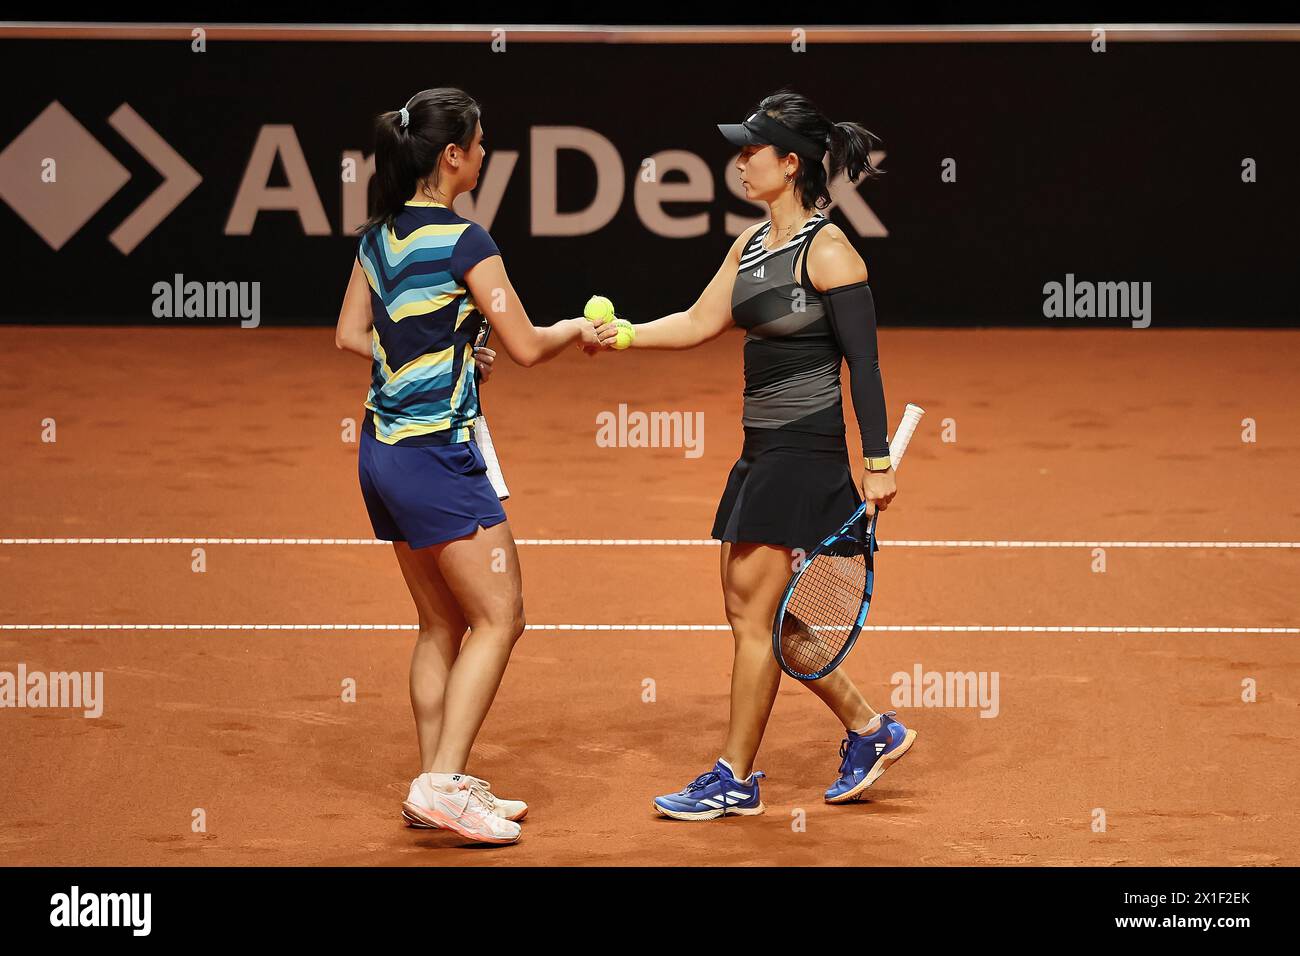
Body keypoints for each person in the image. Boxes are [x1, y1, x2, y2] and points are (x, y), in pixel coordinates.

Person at [595, 89, 917, 820]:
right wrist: (623, 337)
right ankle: (871, 727)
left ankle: (734, 777)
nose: (740, 161)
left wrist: (876, 460)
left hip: (803, 456)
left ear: (790, 163)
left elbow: (863, 366)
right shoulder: (750, 245)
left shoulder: (830, 250)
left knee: (751, 617)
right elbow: (696, 321)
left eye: (752, 149)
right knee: (759, 615)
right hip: (759, 450)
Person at [335, 87, 600, 844]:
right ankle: (445, 783)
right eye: (480, 144)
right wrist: (578, 329)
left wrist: (436, 354)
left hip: (381, 451)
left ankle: (431, 784)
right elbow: (525, 345)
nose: (485, 154)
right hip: (435, 456)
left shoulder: (379, 237)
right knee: (501, 616)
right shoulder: (465, 242)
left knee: (439, 622)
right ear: (453, 156)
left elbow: (353, 333)